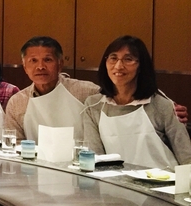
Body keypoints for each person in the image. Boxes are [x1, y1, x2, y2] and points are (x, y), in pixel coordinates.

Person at [82, 36, 191, 168]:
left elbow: (187, 158)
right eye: (113, 58)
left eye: (128, 59)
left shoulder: (162, 105)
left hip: (165, 185)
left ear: (141, 66)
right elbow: (95, 158)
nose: (118, 66)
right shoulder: (93, 105)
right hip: (115, 184)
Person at [4, 37, 100, 142]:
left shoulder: (87, 92)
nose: (40, 67)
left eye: (47, 60)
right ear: (25, 67)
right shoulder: (17, 102)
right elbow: (15, 147)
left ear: (60, 64)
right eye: (33, 60)